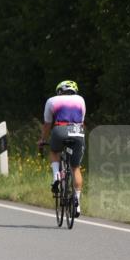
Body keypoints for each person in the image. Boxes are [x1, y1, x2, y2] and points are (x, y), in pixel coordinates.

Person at [38, 79, 86, 217]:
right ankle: (77, 203)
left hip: (60, 129)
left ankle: (56, 176)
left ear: (60, 91)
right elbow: (81, 121)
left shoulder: (52, 101)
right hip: (77, 132)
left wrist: (42, 140)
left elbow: (47, 125)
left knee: (54, 151)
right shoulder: (81, 100)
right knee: (75, 167)